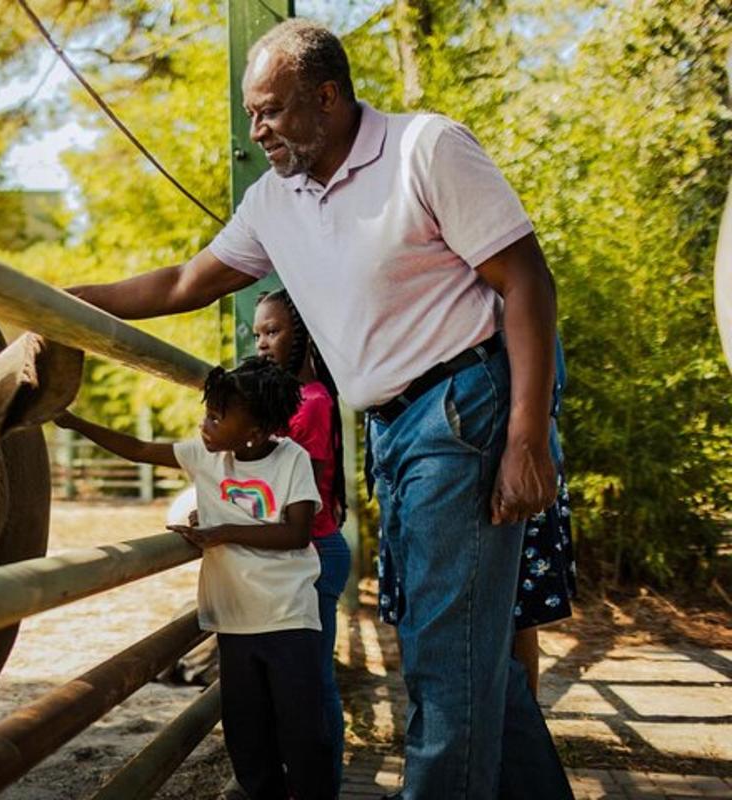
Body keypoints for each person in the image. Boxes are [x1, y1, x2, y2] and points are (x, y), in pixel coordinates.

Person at [66, 18, 572, 799]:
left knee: (442, 661)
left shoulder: (424, 149)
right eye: (251, 113)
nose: (255, 128)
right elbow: (178, 284)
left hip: (462, 410)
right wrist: (59, 302)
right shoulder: (274, 201)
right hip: (392, 431)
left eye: (269, 110)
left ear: (328, 97)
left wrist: (527, 436)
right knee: (463, 647)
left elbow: (527, 283)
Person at [57, 357, 336, 800]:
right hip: (233, 621)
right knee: (247, 737)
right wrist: (74, 422)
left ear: (256, 431)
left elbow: (297, 532)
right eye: (208, 413)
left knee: (305, 735)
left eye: (217, 418)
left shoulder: (291, 460)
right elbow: (139, 449)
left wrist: (220, 531)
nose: (205, 425)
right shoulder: (205, 456)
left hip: (288, 619)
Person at [379, 339, 577, 700]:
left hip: (501, 452)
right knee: (420, 604)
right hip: (408, 451)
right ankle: (438, 718)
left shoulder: (500, 306)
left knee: (510, 610)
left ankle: (513, 726)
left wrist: (530, 445)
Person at [253, 288, 350, 790]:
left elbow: (296, 493)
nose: (263, 343)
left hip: (313, 555)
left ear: (303, 332)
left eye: (273, 331)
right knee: (296, 684)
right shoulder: (291, 400)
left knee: (315, 685)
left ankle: (324, 786)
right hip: (297, 556)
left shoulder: (311, 404)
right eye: (258, 335)